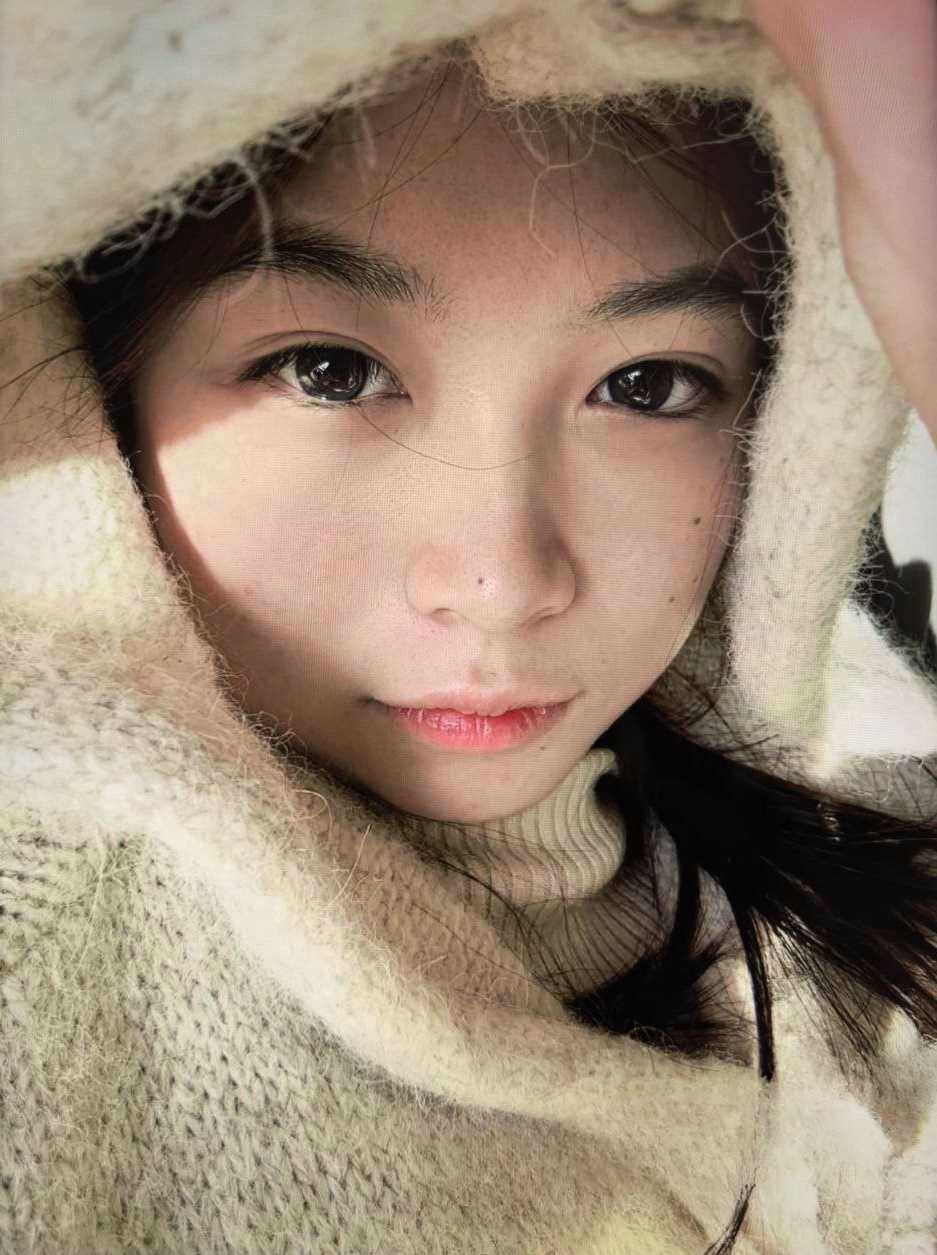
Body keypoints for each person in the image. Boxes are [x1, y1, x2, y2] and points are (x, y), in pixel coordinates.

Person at [1, 4, 936, 1252]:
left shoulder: (871, 819)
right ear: (94, 393)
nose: (502, 582)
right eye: (329, 370)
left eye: (647, 385)